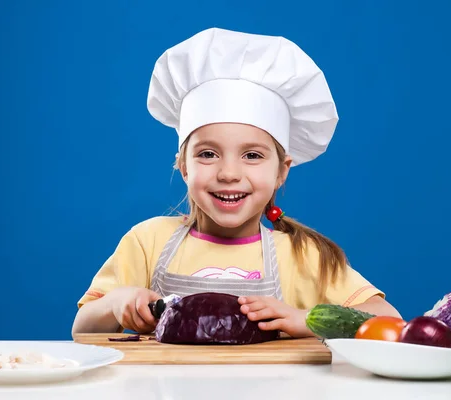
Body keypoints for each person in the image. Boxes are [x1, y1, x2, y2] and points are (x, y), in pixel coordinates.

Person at [71, 27, 401, 339]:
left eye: (252, 156)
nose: (229, 173)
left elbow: (389, 319)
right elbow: (83, 328)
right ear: (183, 166)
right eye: (208, 154)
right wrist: (116, 303)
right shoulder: (147, 242)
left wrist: (307, 319)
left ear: (281, 172)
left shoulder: (304, 256)